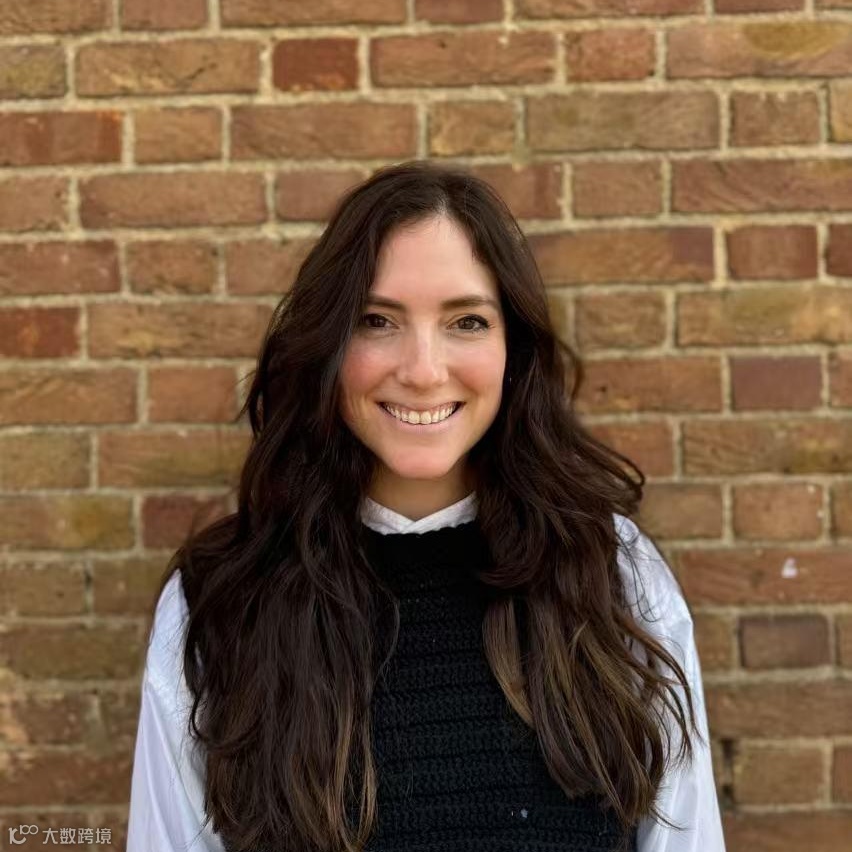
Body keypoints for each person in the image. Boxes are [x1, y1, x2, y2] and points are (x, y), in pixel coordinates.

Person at [126, 160, 726, 852]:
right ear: (328, 345)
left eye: (466, 321)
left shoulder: (611, 573)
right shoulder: (220, 601)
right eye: (377, 321)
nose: (422, 370)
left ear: (512, 349)